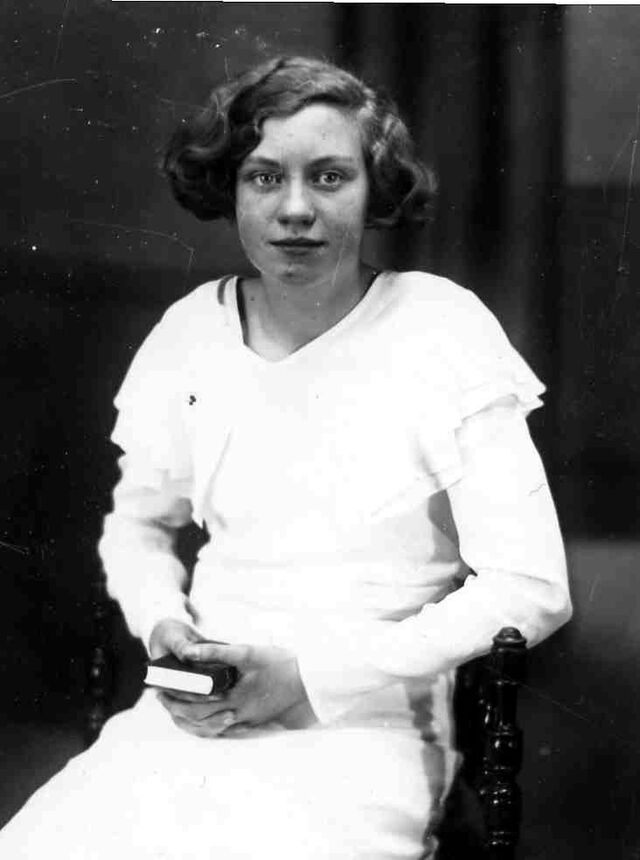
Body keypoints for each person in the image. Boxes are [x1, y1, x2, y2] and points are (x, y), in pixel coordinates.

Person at [0, 56, 571, 859]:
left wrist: (307, 676)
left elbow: (533, 587)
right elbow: (136, 527)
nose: (296, 209)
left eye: (330, 176)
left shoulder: (441, 329)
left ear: (374, 187)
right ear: (231, 189)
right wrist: (164, 624)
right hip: (196, 722)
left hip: (363, 727)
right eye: (264, 177)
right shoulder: (192, 331)